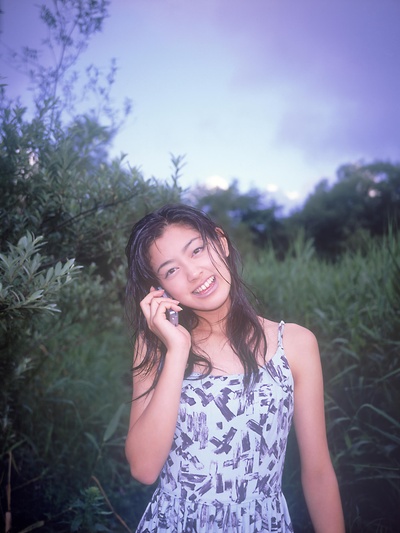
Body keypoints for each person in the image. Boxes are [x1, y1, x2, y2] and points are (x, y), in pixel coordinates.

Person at [124, 204, 344, 532]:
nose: (194, 273)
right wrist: (178, 351)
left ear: (221, 243)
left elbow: (318, 472)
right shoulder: (156, 346)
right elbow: (143, 469)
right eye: (171, 271)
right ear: (159, 289)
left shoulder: (295, 343)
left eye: (197, 250)